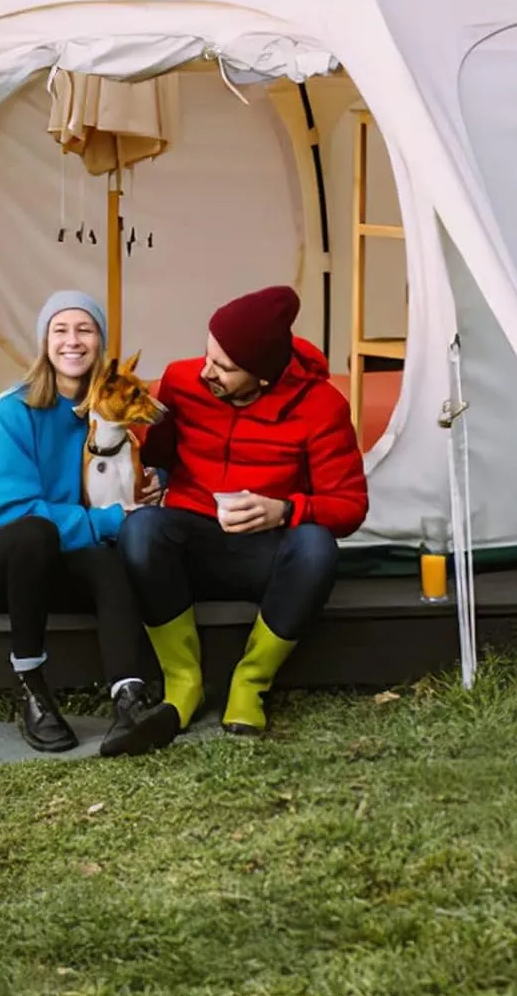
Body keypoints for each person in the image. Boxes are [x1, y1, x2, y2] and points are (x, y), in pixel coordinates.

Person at [114, 285, 369, 748]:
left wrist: (286, 509)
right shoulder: (181, 379)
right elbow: (159, 453)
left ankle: (250, 682)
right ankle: (183, 682)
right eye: (208, 354)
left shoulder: (322, 406)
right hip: (193, 543)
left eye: (225, 368)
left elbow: (350, 505)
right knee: (142, 530)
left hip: (264, 555)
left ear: (263, 378)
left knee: (317, 547)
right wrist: (149, 472)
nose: (207, 371)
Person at [0, 290, 163, 755]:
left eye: (85, 329)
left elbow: (125, 474)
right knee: (38, 534)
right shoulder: (15, 409)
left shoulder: (105, 416)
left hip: (58, 558)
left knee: (103, 562)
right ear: (45, 343)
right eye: (60, 330)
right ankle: (32, 690)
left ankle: (129, 696)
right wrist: (105, 521)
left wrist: (155, 478)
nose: (72, 341)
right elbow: (7, 511)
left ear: (100, 342)